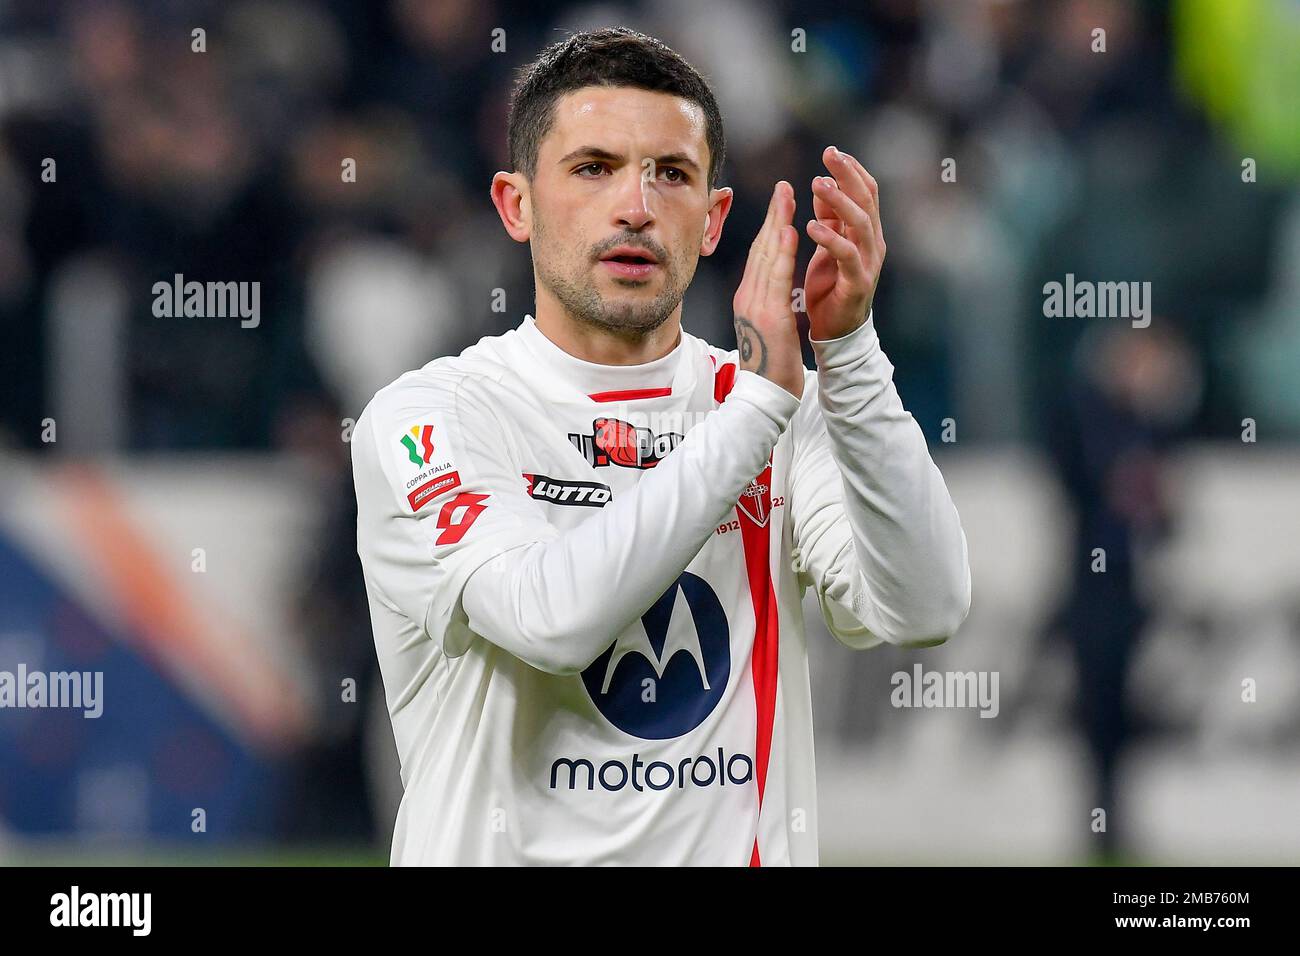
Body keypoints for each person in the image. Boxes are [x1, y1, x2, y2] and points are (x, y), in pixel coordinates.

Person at [351, 27, 970, 866]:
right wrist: (757, 410)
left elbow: (926, 607)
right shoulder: (430, 419)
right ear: (516, 204)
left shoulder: (780, 401)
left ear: (714, 220)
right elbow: (550, 618)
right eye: (593, 167)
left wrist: (851, 350)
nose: (635, 206)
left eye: (671, 174)